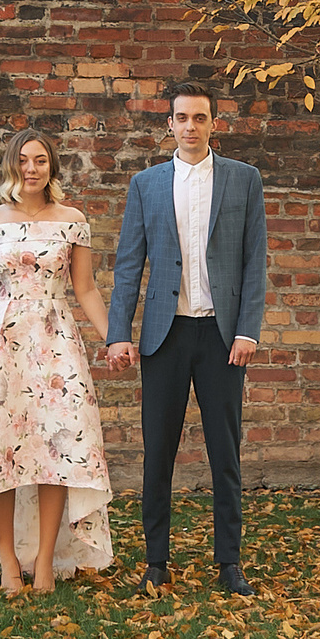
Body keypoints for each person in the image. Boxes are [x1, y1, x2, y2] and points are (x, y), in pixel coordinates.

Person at [104, 81, 268, 596]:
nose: (190, 127)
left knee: (226, 453)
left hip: (222, 337)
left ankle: (229, 564)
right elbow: (129, 265)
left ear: (214, 122)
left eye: (200, 117)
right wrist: (117, 335)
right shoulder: (146, 184)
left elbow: (254, 263)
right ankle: (156, 561)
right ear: (169, 125)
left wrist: (248, 330)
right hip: (164, 337)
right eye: (181, 118)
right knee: (159, 453)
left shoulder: (244, 180)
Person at [0, 127, 115, 593]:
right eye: (24, 160)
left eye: (40, 161)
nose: (31, 169)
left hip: (57, 346)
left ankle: (42, 564)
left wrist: (115, 338)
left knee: (58, 450)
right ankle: (8, 565)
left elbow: (86, 289)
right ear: (12, 166)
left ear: (51, 167)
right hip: (2, 345)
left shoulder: (71, 219)